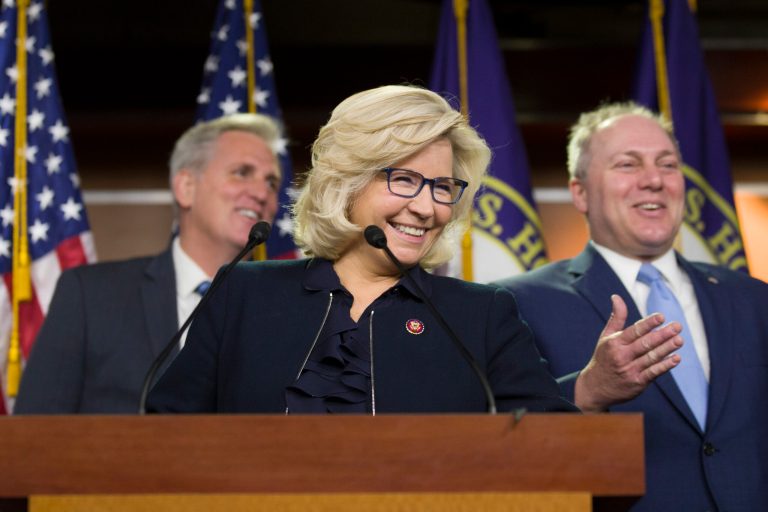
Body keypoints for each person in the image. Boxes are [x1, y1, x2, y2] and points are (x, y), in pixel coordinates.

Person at [147, 85, 577, 414]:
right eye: (405, 180)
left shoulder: (480, 317)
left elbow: (547, 439)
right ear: (347, 182)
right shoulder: (243, 294)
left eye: (442, 187)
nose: (426, 208)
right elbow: (169, 430)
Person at [497, 102, 768, 511]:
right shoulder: (514, 303)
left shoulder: (753, 298)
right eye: (628, 164)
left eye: (668, 164)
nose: (654, 180)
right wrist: (589, 391)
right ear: (580, 192)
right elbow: (501, 443)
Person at [15, 113, 283, 413]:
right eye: (242, 172)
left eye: (271, 182)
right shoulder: (90, 297)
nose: (262, 194)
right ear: (186, 188)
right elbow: (34, 432)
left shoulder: (283, 313)